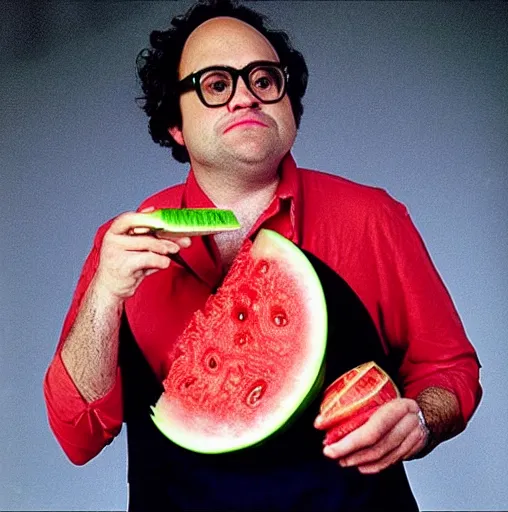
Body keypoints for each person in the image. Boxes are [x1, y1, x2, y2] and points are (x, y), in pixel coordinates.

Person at [44, 0, 482, 510]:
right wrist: (104, 292)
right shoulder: (123, 243)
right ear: (175, 125)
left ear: (288, 104)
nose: (245, 98)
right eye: (215, 84)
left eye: (264, 80)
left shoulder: (371, 218)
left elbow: (449, 369)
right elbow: (77, 437)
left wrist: (423, 420)